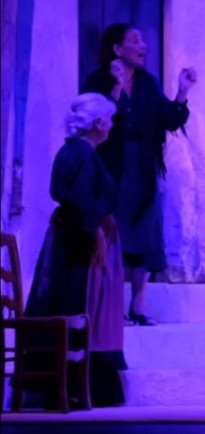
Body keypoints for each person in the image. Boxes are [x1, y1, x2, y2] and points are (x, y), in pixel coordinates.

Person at [19, 93, 128, 408]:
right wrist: (95, 231)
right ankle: (76, 388)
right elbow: (80, 198)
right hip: (77, 245)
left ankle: (65, 387)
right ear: (98, 122)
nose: (112, 125)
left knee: (68, 305)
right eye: (109, 120)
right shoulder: (82, 154)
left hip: (70, 238)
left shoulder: (72, 151)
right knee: (78, 306)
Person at [81, 24, 194, 326]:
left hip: (142, 170)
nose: (143, 45)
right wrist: (115, 87)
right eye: (135, 41)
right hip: (111, 169)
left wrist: (182, 92)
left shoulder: (147, 83)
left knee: (145, 232)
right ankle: (112, 307)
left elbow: (170, 120)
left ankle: (139, 305)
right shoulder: (97, 80)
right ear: (118, 49)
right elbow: (95, 120)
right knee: (113, 234)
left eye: (142, 40)